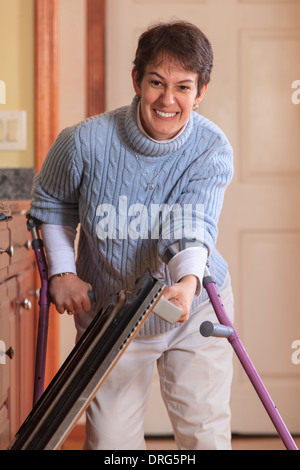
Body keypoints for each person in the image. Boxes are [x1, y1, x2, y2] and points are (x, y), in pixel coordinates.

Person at [30, 21, 234, 450]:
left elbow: (191, 224)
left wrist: (186, 283)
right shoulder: (84, 142)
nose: (168, 99)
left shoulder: (212, 148)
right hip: (111, 310)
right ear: (136, 79)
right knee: (109, 445)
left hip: (191, 306)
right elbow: (51, 204)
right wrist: (62, 272)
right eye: (157, 82)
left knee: (205, 435)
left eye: (184, 87)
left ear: (201, 92)